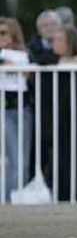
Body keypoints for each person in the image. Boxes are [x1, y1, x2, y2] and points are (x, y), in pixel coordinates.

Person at [47, 26, 77, 201]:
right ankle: (61, 196)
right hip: (56, 119)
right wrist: (75, 60)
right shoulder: (49, 58)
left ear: (70, 43)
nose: (54, 43)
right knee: (60, 159)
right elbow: (43, 60)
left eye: (59, 40)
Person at [0, 17, 33, 202]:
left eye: (4, 33)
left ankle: (18, 197)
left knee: (24, 159)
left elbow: (27, 76)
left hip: (23, 108)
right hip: (4, 110)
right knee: (14, 158)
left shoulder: (23, 55)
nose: (1, 37)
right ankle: (9, 199)